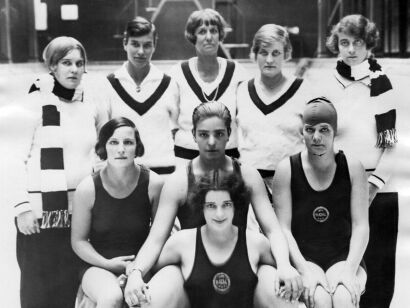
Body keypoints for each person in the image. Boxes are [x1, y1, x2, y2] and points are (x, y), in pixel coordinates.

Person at [124, 101, 302, 308]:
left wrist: (284, 265)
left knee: (282, 293)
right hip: (192, 267)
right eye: (203, 134)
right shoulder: (179, 181)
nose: (211, 142)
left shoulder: (248, 176)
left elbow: (273, 230)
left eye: (218, 134)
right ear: (193, 135)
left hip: (241, 265)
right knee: (151, 298)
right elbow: (156, 239)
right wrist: (136, 273)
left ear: (229, 134)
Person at [4, 36, 109, 308]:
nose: (74, 69)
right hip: (39, 220)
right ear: (52, 66)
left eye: (79, 63)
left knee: (66, 294)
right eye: (66, 63)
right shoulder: (33, 103)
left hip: (79, 219)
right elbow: (11, 158)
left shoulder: (89, 106)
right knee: (38, 296)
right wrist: (22, 207)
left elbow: (96, 154)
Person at [325, 14, 399, 308]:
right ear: (336, 45)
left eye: (358, 43)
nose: (351, 49)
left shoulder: (383, 85)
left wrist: (372, 186)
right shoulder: (323, 84)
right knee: (340, 268)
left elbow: (391, 145)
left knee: (379, 274)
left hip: (378, 191)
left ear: (369, 45)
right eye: (345, 43)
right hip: (336, 186)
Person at [273, 97, 369, 308]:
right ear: (302, 132)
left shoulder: (353, 167)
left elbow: (361, 225)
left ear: (335, 132)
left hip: (344, 256)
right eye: (310, 130)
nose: (316, 137)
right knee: (319, 299)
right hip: (304, 256)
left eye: (324, 130)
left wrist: (349, 270)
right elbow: (283, 229)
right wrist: (303, 270)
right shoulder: (286, 169)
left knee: (344, 298)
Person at [71, 117, 163, 308]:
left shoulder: (154, 184)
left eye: (128, 142)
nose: (121, 149)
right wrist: (108, 264)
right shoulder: (87, 188)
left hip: (141, 265)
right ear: (103, 147)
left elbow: (159, 236)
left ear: (137, 147)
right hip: (98, 266)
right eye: (113, 142)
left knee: (144, 301)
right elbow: (78, 241)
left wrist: (136, 270)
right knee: (111, 297)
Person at [155, 173, 275, 308]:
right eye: (211, 205)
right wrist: (134, 274)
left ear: (235, 206)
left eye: (226, 204)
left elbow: (281, 269)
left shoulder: (256, 243)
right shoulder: (181, 242)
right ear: (202, 207)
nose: (219, 214)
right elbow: (154, 270)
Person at [237, 24, 315, 200]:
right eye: (264, 53)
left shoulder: (304, 90)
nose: (270, 60)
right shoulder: (241, 90)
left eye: (276, 53)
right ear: (254, 55)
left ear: (286, 54)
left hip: (293, 182)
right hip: (250, 183)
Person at [168, 8, 248, 166]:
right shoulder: (177, 73)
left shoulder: (238, 72)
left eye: (214, 31)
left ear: (220, 35)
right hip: (186, 159)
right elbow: (170, 123)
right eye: (202, 31)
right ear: (193, 36)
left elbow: (246, 121)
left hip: (229, 159)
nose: (209, 37)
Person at [105, 16, 178, 176]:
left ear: (154, 46)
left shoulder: (169, 84)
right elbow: (102, 136)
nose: (140, 51)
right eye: (135, 44)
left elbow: (181, 131)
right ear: (125, 43)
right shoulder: (108, 84)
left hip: (163, 172)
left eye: (147, 45)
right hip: (123, 174)